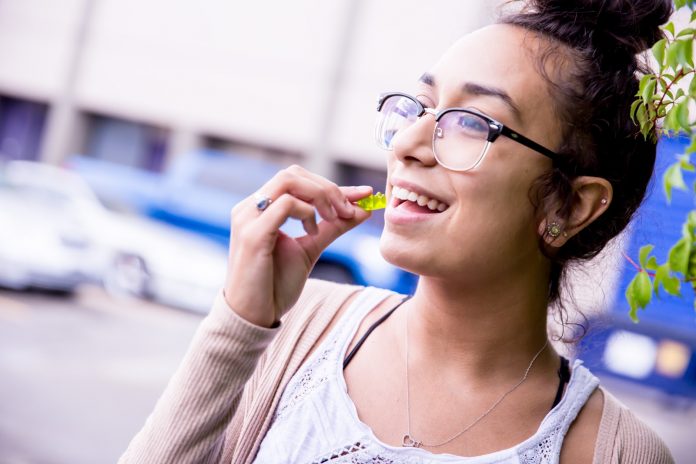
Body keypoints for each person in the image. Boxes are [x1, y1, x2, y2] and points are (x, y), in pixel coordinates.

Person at [120, 0, 676, 462]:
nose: (408, 144)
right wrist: (238, 325)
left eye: (471, 123)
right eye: (422, 107)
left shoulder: (618, 452)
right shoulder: (292, 329)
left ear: (573, 206)